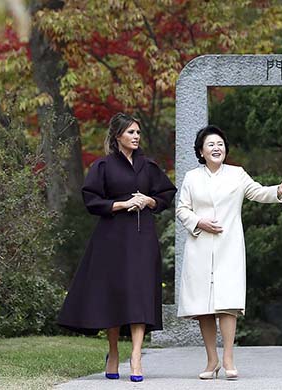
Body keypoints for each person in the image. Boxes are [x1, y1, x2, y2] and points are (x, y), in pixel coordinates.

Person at [57, 112, 176, 382]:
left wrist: (149, 201)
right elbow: (91, 200)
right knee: (115, 295)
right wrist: (122, 204)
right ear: (117, 136)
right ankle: (113, 352)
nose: (136, 137)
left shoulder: (148, 166)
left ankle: (136, 356)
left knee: (140, 295)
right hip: (111, 240)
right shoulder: (103, 166)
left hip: (143, 239)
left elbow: (167, 193)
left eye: (138, 132)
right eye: (131, 132)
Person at [176, 125, 282, 380]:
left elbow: (258, 192)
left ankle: (229, 358)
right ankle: (212, 361)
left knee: (227, 304)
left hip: (228, 246)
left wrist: (277, 190)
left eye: (220, 144)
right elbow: (182, 209)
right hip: (199, 247)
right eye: (210, 144)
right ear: (201, 151)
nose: (216, 148)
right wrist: (199, 222)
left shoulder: (237, 174)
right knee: (204, 306)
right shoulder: (191, 177)